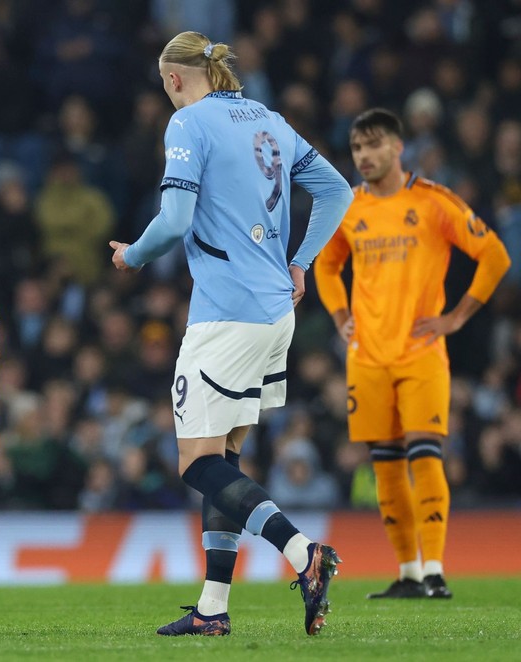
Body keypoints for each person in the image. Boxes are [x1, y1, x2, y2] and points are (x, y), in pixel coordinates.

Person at [108, 32, 353, 637]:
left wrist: (132, 256)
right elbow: (336, 191)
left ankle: (303, 554)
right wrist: (301, 261)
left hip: (226, 314)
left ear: (172, 79)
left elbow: (175, 221)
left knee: (196, 464)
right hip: (276, 312)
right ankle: (212, 608)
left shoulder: (189, 124)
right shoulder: (268, 120)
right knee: (225, 461)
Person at [313, 108, 510, 600]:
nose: (364, 156)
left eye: (373, 145)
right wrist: (340, 318)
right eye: (357, 148)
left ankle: (436, 570)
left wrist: (456, 318)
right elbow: (326, 265)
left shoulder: (433, 201)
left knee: (425, 455)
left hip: (421, 352)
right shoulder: (348, 208)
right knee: (385, 464)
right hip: (368, 356)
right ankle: (409, 572)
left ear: (398, 148)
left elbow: (495, 256)